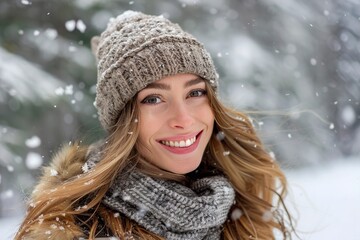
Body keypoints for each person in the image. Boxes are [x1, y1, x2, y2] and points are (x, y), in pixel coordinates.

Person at [16, 11, 294, 240]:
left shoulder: (240, 211)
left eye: (195, 93)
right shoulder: (76, 229)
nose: (183, 119)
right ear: (122, 120)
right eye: (153, 98)